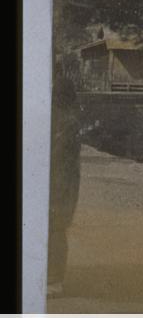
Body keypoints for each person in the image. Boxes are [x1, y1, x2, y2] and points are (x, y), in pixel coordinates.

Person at [48, 74, 82, 298]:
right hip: (62, 182)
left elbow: (58, 156)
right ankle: (52, 279)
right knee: (55, 229)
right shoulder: (68, 120)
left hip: (59, 183)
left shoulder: (65, 122)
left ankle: (53, 281)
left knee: (55, 228)